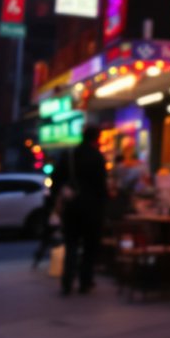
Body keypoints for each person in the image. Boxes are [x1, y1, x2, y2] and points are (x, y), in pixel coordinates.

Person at [56, 125, 110, 296]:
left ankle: (67, 282)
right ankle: (85, 282)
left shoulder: (70, 156)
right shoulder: (97, 157)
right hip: (92, 208)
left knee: (71, 244)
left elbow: (56, 179)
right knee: (89, 246)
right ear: (96, 138)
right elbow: (102, 186)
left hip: (72, 207)